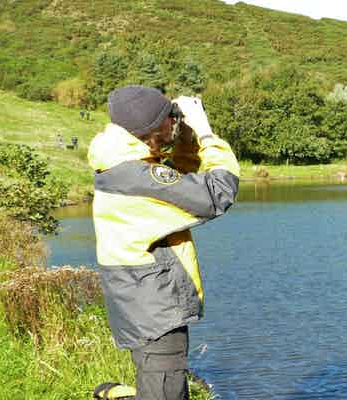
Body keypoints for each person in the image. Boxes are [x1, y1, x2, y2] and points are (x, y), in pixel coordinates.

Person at [87, 85, 240, 400]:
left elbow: (181, 182)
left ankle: (115, 394)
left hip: (141, 297)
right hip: (155, 307)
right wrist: (207, 134)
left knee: (163, 385)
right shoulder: (138, 178)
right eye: (172, 118)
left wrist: (185, 138)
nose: (176, 121)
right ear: (152, 127)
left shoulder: (124, 165)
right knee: (165, 391)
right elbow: (215, 194)